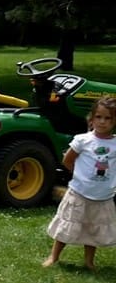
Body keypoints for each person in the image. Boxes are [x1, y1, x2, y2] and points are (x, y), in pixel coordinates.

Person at [42, 96, 116, 271]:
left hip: (102, 196)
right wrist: (80, 176)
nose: (102, 122)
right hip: (79, 193)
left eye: (108, 118)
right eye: (99, 117)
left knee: (93, 229)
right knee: (68, 223)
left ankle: (89, 261)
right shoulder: (82, 140)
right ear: (92, 118)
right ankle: (54, 256)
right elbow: (67, 160)